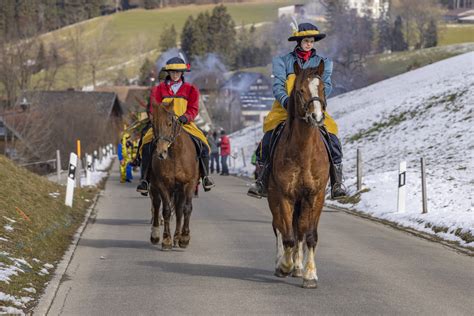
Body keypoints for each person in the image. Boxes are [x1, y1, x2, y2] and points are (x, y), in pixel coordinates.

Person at [247, 22, 347, 199]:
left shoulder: (323, 63)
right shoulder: (283, 61)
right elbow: (278, 85)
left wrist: (316, 103)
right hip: (285, 109)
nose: (309, 43)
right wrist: (287, 102)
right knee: (268, 140)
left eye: (311, 41)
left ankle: (337, 182)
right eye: (306, 40)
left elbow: (327, 86)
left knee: (332, 139)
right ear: (299, 41)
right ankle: (261, 180)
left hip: (312, 107)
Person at [137, 56, 215, 193]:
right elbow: (153, 108)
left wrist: (186, 117)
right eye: (172, 72)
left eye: (177, 72)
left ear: (182, 73)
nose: (175, 74)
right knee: (146, 143)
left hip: (184, 124)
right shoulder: (158, 89)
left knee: (203, 144)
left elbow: (194, 108)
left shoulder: (191, 89)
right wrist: (157, 120)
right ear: (168, 72)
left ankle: (205, 177)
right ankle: (144, 179)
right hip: (163, 125)